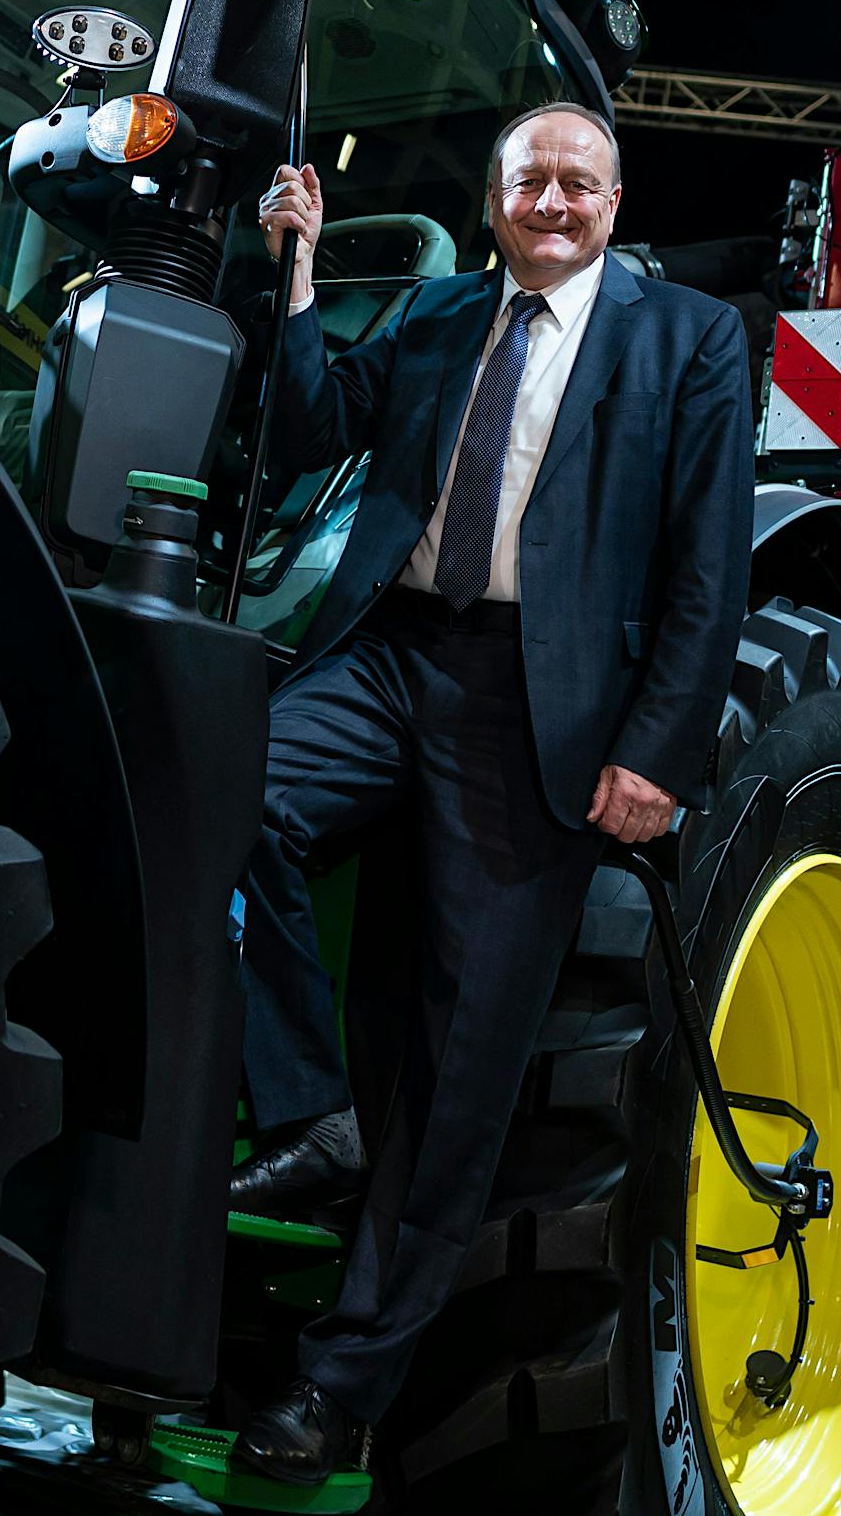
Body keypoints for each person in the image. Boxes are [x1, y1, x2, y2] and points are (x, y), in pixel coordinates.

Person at [228, 102, 753, 1483]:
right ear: (496, 197)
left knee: (460, 1073)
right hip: (394, 658)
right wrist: (294, 273)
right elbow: (307, 429)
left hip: (547, 708)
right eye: (533, 180)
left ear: (616, 202)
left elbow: (709, 568)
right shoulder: (443, 313)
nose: (556, 202)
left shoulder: (685, 340)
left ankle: (342, 1389)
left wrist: (659, 750)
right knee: (234, 797)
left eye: (579, 182)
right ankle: (307, 1116)